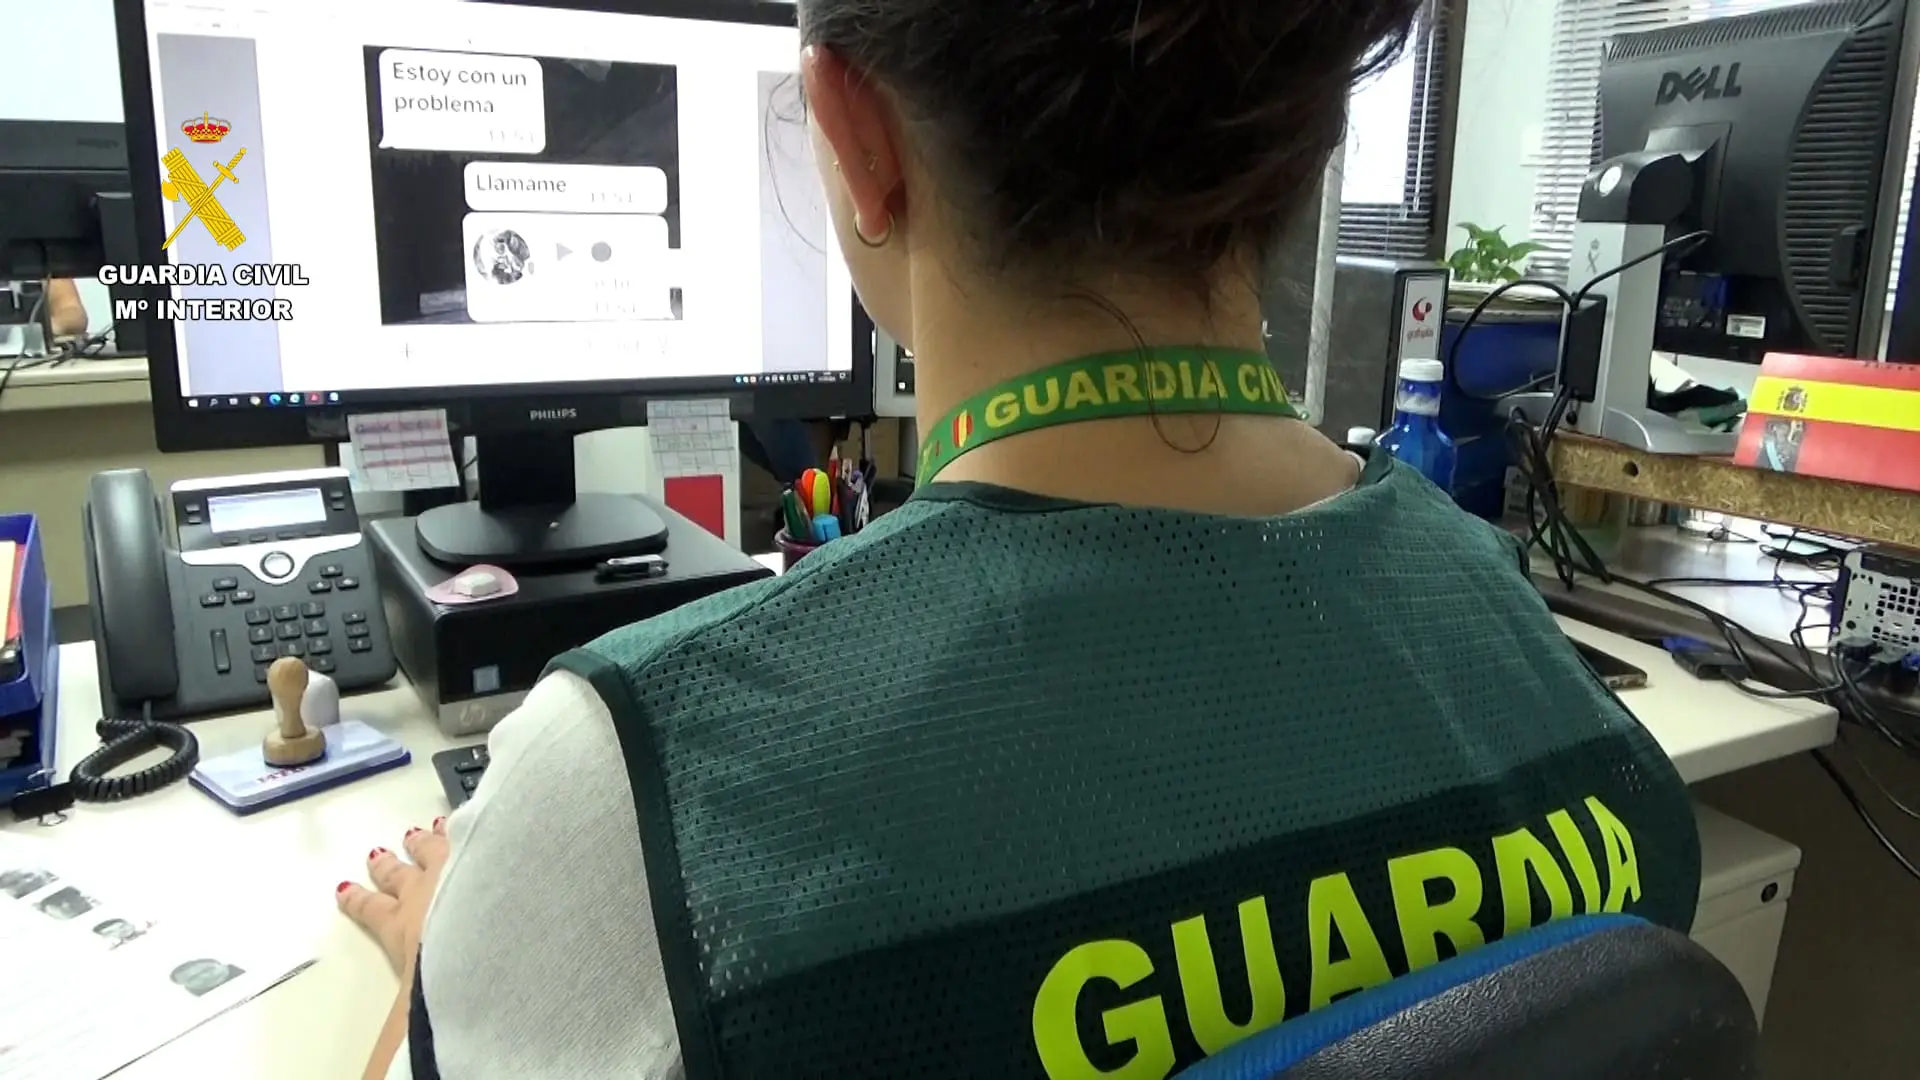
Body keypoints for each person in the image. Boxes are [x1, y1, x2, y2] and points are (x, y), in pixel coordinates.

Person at [338, 2, 1702, 1077]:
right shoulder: (1537, 663)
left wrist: (444, 968)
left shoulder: (637, 792)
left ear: (858, 139)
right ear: (1296, 140)